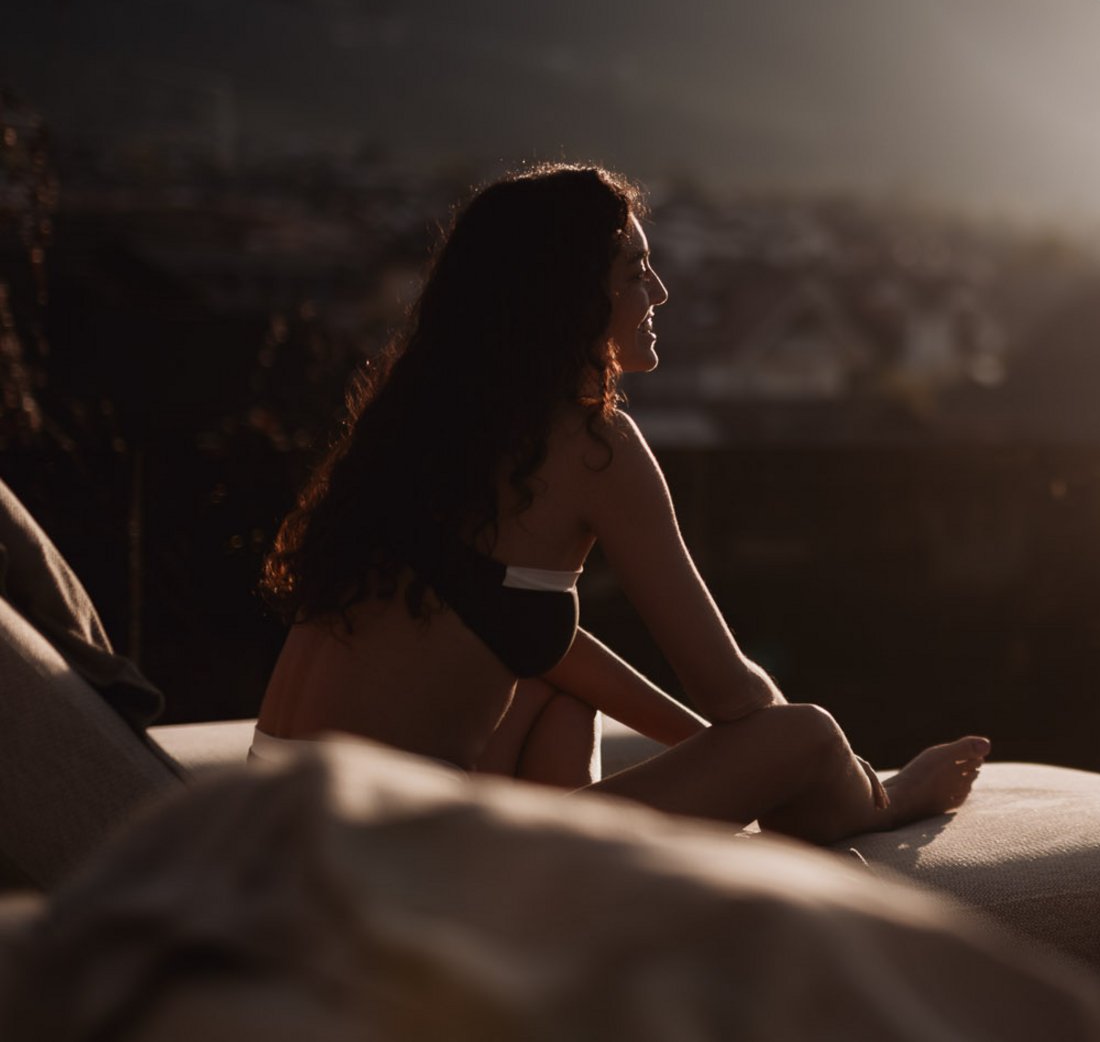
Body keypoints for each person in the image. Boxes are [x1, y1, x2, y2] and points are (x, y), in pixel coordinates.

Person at [256, 163, 988, 841]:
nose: (660, 292)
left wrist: (703, 752)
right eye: (636, 271)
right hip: (386, 866)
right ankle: (893, 803)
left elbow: (539, 645)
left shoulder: (425, 429)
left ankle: (583, 905)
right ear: (569, 295)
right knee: (806, 734)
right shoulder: (590, 444)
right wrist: (853, 779)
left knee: (560, 699)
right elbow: (733, 693)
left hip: (281, 832)